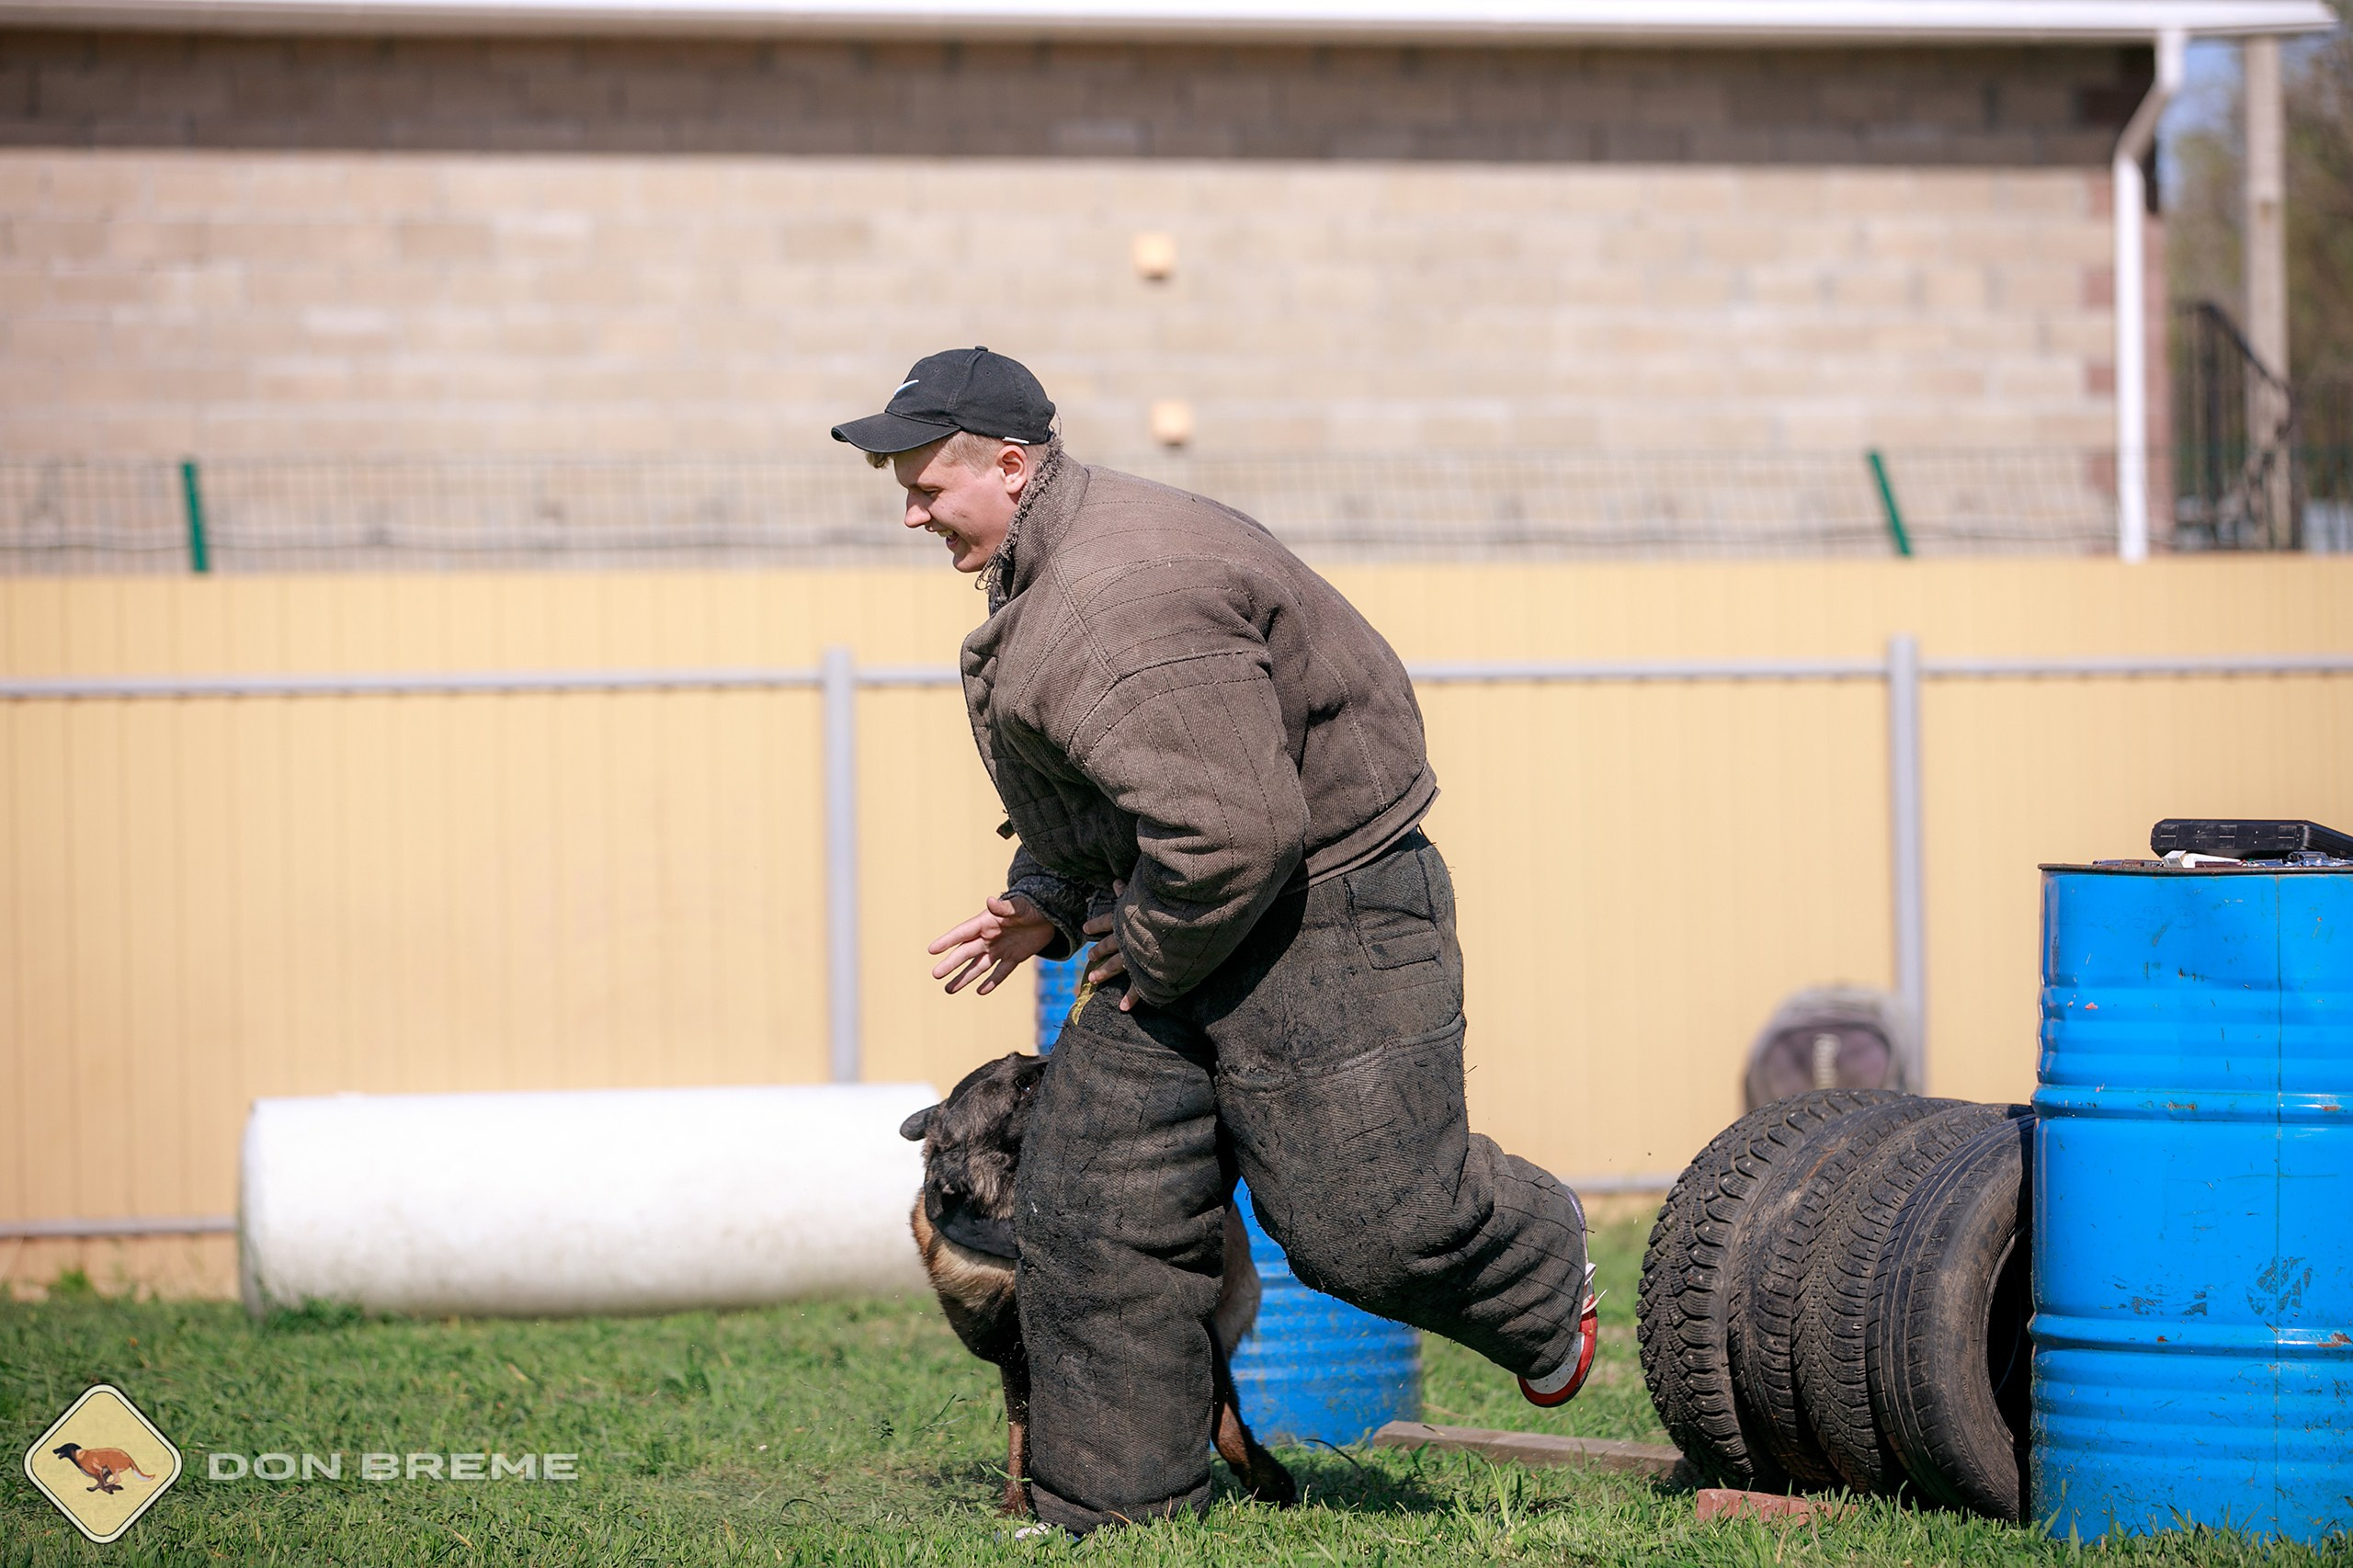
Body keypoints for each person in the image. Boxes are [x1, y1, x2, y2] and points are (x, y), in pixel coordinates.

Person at [832, 347, 1597, 1534]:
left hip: (1321, 909)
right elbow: (1111, 779)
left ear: (1013, 463)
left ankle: (1543, 1270)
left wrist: (1140, 932)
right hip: (1177, 910)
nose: (910, 509)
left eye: (926, 484)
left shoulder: (1114, 598)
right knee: (1091, 1207)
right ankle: (1109, 1507)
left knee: (1367, 1224)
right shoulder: (1051, 567)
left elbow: (1233, 832)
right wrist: (1048, 889)